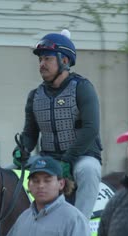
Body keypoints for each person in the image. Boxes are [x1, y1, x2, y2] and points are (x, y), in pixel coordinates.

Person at [13, 29, 103, 219]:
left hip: (81, 157)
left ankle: (80, 225)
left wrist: (68, 160)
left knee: (89, 170)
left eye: (47, 59)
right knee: (5, 173)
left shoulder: (82, 88)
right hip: (49, 158)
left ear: (64, 61)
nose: (42, 64)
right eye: (40, 60)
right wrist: (22, 149)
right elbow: (30, 133)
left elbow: (91, 129)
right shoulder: (35, 96)